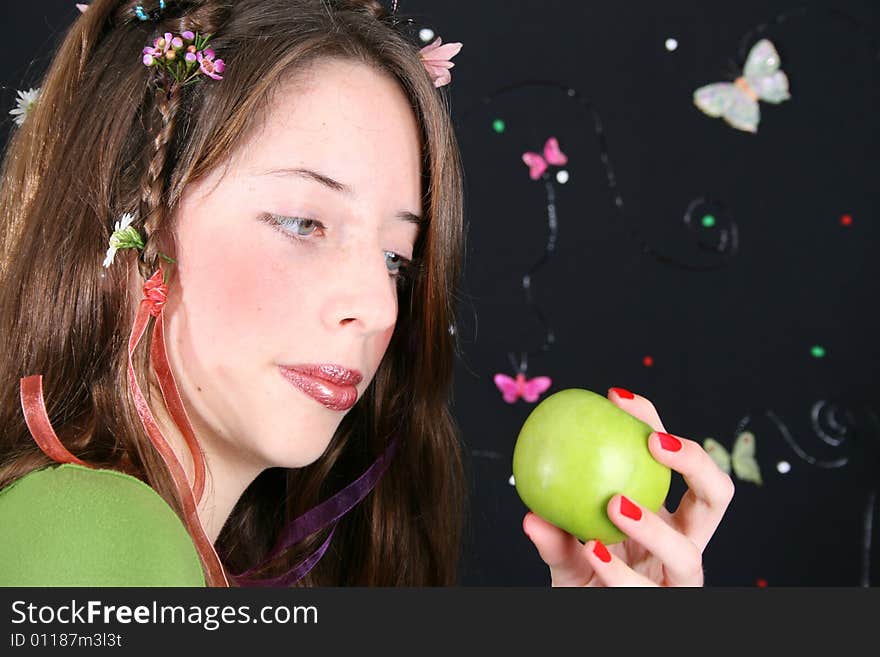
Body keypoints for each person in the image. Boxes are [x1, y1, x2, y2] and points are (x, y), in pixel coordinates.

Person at [0, 0, 734, 587]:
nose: (380, 308)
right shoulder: (93, 532)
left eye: (397, 258)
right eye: (303, 221)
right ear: (137, 217)